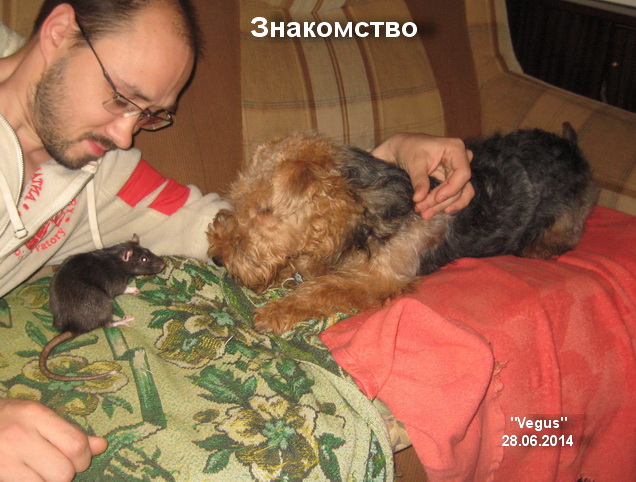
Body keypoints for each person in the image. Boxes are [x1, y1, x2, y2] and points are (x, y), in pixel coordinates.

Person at [0, 0, 474, 478]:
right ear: (59, 32)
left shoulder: (104, 171)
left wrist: (376, 167)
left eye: (148, 115)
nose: (125, 135)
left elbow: (239, 221)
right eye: (121, 97)